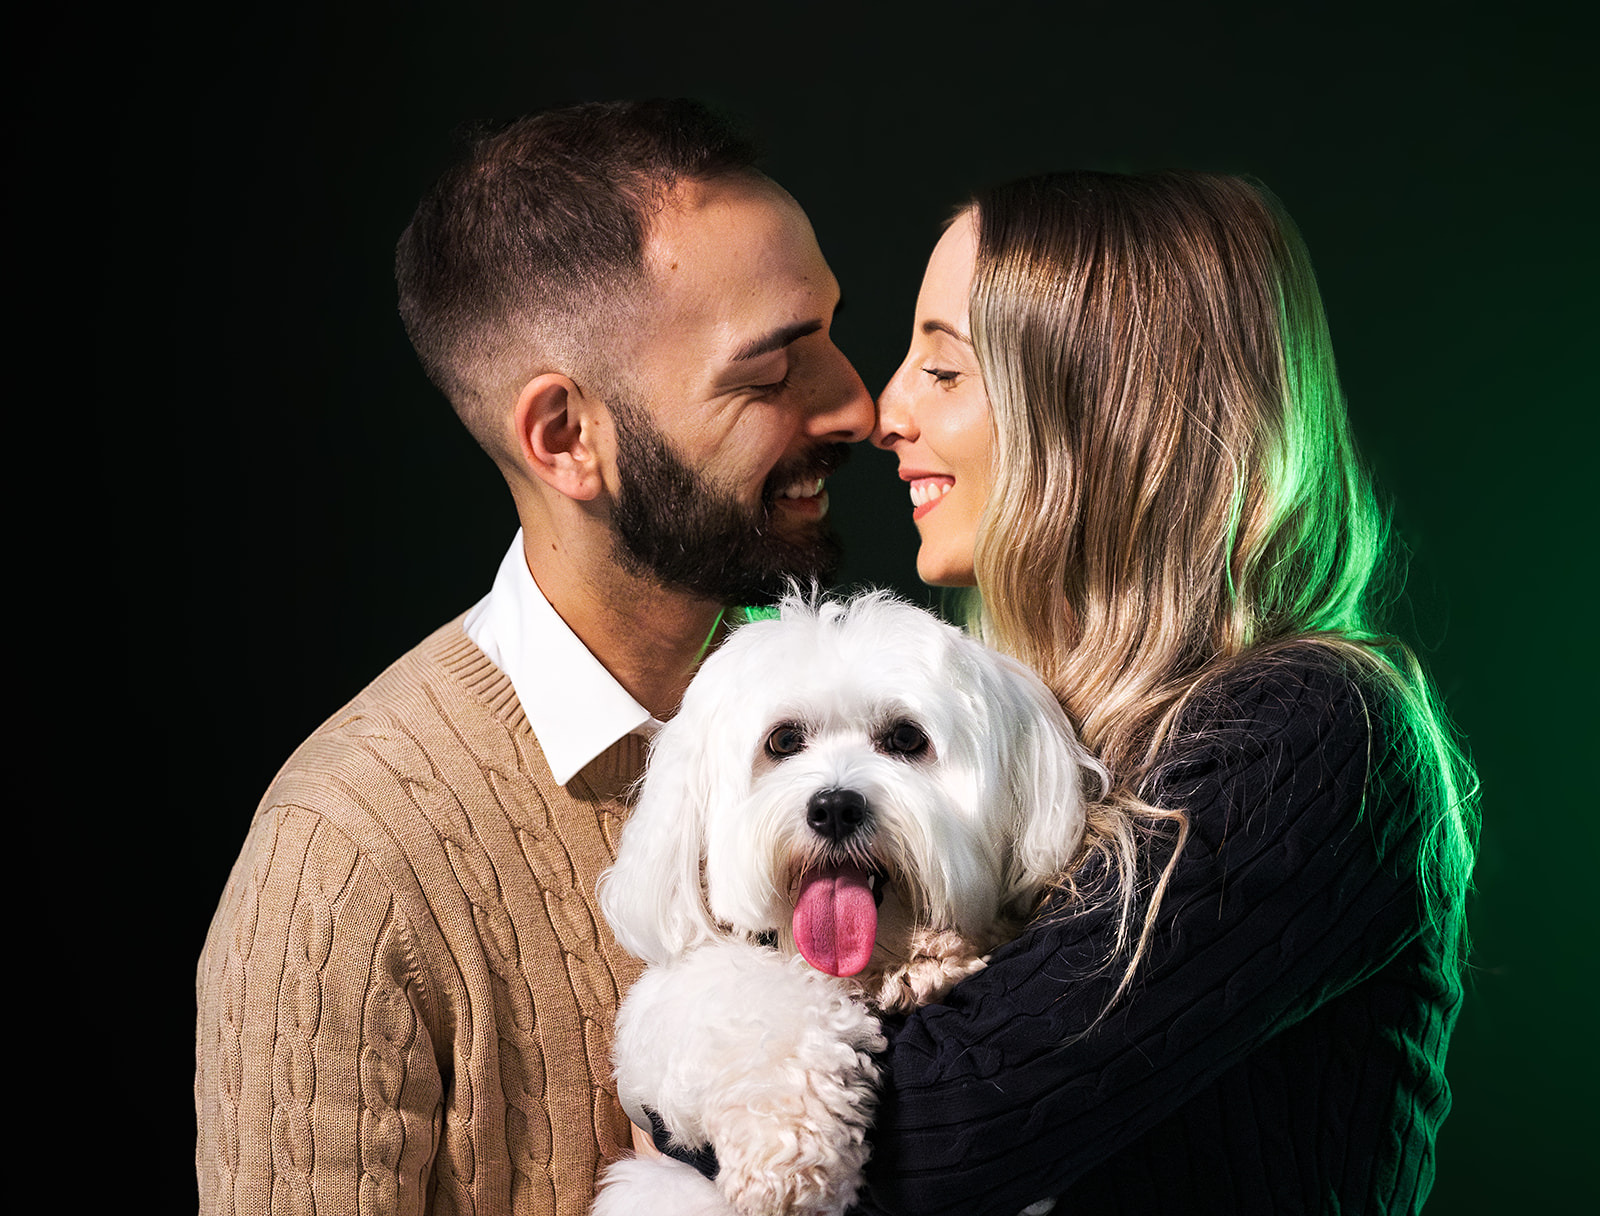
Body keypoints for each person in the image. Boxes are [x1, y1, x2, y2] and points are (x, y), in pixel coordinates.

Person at [193, 98, 874, 1216]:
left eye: (834, 330)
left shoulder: (882, 729)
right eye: (769, 372)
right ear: (565, 438)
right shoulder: (347, 865)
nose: (856, 402)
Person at [860, 172, 1478, 1214]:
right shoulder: (1023, 735)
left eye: (944, 371)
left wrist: (700, 1097)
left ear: (1100, 406)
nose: (887, 414)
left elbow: (934, 1126)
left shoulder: (1317, 732)